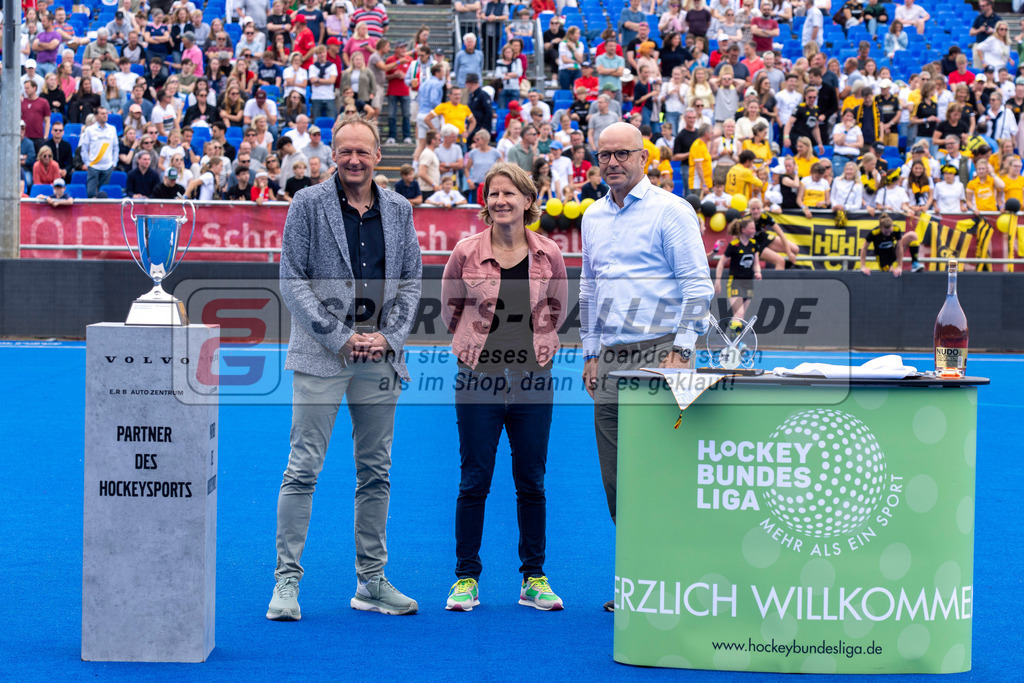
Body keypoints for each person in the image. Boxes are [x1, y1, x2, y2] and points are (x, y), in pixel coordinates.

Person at [269, 115, 422, 621]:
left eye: (363, 151)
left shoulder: (399, 210)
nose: (354, 160)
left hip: (380, 359)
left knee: (375, 474)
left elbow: (411, 284)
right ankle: (286, 583)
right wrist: (340, 338)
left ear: (379, 156)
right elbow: (292, 280)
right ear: (332, 155)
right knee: (302, 470)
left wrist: (386, 337)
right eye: (345, 151)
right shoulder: (307, 204)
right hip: (321, 357)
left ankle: (371, 582)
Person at [580, 123, 713, 612]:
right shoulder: (592, 215)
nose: (613, 162)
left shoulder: (671, 211)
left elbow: (698, 285)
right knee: (616, 477)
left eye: (622, 154)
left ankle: (675, 577)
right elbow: (590, 288)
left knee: (661, 471)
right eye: (604, 154)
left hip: (663, 352)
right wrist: (591, 351)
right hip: (612, 357)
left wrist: (682, 348)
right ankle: (641, 576)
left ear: (644, 157)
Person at [439, 161, 568, 613]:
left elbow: (558, 308)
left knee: (531, 481)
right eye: (494, 194)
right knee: (474, 480)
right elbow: (451, 307)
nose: (501, 201)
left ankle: (534, 577)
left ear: (528, 200)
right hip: (478, 379)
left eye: (510, 193)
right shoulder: (466, 252)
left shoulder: (549, 253)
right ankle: (465, 579)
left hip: (533, 379)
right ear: (485, 202)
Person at [714, 217, 762, 333]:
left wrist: (758, 272)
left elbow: (756, 263)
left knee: (741, 317)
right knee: (739, 314)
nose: (754, 230)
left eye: (754, 228)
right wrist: (718, 281)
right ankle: (733, 343)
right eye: (751, 228)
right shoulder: (734, 245)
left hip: (748, 283)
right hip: (735, 282)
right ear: (744, 230)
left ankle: (734, 344)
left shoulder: (754, 244)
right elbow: (721, 263)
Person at [79, 106, 120, 197]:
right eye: (102, 113)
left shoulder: (112, 129)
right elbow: (84, 148)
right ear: (96, 116)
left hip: (107, 166)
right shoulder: (90, 130)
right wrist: (87, 163)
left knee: (103, 194)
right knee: (91, 193)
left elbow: (115, 147)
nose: (105, 115)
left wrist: (114, 163)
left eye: (106, 113)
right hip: (94, 165)